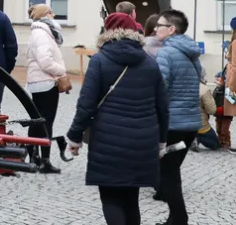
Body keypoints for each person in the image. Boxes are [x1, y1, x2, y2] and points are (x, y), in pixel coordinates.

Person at [66, 12, 169, 225]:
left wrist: (74, 137)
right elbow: (162, 106)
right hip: (143, 140)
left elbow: (86, 105)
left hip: (107, 140)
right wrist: (161, 141)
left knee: (111, 197)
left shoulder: (100, 61)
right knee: (131, 199)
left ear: (107, 33)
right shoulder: (150, 62)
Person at [155, 9, 204, 225]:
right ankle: (175, 218)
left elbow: (159, 90)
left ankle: (179, 219)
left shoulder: (166, 53)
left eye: (160, 25)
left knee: (168, 175)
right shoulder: (191, 53)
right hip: (190, 123)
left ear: (171, 29)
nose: (156, 28)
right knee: (171, 171)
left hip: (172, 124)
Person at [26, 4, 68, 174]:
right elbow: (46, 62)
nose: (54, 14)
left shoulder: (40, 32)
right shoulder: (42, 33)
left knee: (37, 121)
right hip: (45, 82)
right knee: (45, 122)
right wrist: (62, 71)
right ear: (44, 15)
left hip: (40, 82)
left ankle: (34, 157)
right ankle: (44, 161)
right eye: (51, 12)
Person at [220, 17, 236, 150]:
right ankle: (225, 140)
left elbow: (235, 66)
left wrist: (231, 86)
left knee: (229, 111)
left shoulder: (235, 43)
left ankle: (225, 141)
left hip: (233, 84)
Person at [193, 83, 220, 151]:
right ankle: (196, 137)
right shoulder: (203, 89)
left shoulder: (177, 85)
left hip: (181, 126)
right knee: (216, 144)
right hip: (200, 125)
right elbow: (211, 110)